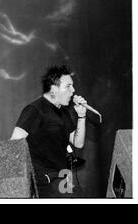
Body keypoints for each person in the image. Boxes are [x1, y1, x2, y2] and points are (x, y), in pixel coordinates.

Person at [10, 65, 87, 198]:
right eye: (68, 86)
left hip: (61, 176)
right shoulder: (35, 110)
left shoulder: (63, 112)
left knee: (77, 197)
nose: (73, 90)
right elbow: (14, 145)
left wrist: (82, 116)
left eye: (72, 86)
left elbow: (78, 143)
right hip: (43, 180)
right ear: (54, 89)